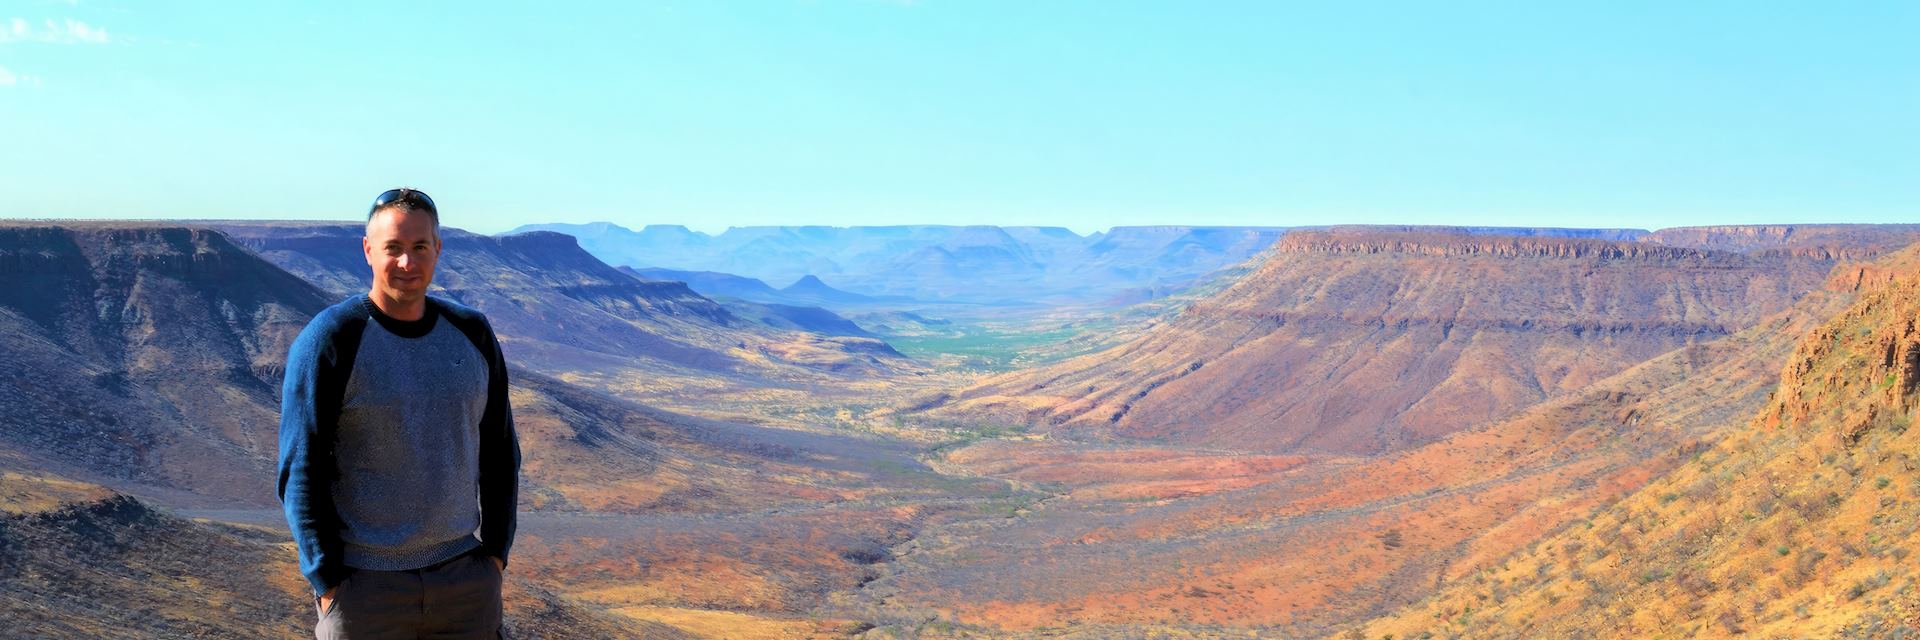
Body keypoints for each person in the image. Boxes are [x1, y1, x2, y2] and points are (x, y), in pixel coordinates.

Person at [277, 187, 521, 639]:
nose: (407, 263)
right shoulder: (332, 339)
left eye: (419, 247)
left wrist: (494, 556)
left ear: (437, 250)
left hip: (466, 582)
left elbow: (500, 450)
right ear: (368, 250)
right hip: (364, 590)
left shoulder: (471, 333)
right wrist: (327, 581)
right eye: (393, 248)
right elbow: (299, 467)